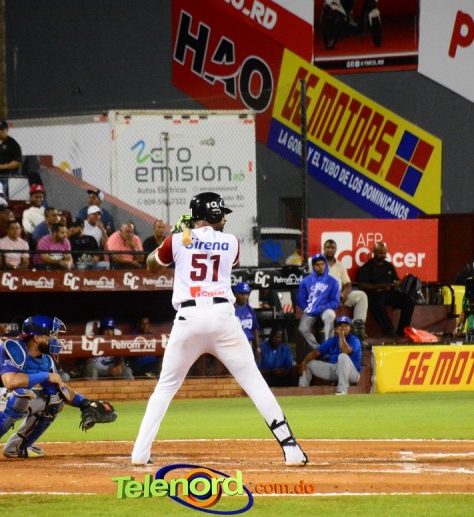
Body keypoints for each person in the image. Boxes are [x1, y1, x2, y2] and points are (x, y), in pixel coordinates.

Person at [131, 192, 307, 466]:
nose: (224, 218)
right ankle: (291, 448)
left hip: (188, 318)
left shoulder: (176, 240)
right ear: (211, 214)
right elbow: (218, 253)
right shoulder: (231, 242)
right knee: (254, 381)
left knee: (165, 387)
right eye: (221, 213)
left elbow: (151, 266)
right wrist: (186, 236)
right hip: (222, 318)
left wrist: (176, 236)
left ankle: (140, 453)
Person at [0, 315, 106, 461]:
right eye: (50, 335)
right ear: (37, 337)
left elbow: (60, 388)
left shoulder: (46, 360)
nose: (54, 340)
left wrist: (85, 403)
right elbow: (10, 382)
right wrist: (46, 376)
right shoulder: (13, 347)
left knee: (55, 400)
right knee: (19, 394)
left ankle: (18, 447)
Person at [356, 242, 416, 338]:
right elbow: (362, 285)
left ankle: (402, 331)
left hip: (389, 293)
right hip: (374, 294)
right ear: (374, 252)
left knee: (409, 301)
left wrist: (397, 283)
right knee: (376, 304)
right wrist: (382, 286)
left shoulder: (389, 266)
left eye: (384, 253)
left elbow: (396, 279)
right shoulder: (367, 267)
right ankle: (389, 331)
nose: (383, 255)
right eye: (380, 253)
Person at [298, 315, 362, 395]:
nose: (343, 328)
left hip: (352, 373)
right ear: (336, 328)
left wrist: (341, 335)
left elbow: (345, 350)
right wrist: (304, 362)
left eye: (346, 326)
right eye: (340, 326)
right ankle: (301, 392)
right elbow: (316, 352)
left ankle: (342, 390)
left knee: (342, 356)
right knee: (309, 364)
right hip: (335, 370)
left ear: (350, 328)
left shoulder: (354, 340)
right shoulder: (332, 340)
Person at [320, 239, 369, 340]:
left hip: (339, 295)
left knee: (361, 296)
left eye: (332, 248)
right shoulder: (317, 264)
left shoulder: (340, 265)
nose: (330, 250)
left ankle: (357, 328)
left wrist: (345, 293)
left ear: (336, 250)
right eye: (327, 247)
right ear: (324, 249)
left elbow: (347, 283)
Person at [297, 253, 340, 348]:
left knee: (330, 315)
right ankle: (318, 349)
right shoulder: (305, 281)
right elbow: (300, 299)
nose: (320, 267)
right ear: (313, 266)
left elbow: (335, 301)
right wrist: (308, 309)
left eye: (322, 264)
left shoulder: (333, 281)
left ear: (325, 265)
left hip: (325, 309)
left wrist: (323, 307)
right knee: (302, 328)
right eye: (317, 265)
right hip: (310, 309)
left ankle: (329, 346)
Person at [0, 120, 23, 189]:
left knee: (5, 194)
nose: (0, 131)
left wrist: (3, 166)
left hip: (9, 176)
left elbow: (17, 162)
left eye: (2, 129)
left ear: (6, 130)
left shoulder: (13, 143)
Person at [233, 281, 261, 359]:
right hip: (234, 345)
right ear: (235, 294)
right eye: (242, 294)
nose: (245, 297)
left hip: (248, 345)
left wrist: (257, 348)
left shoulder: (250, 309)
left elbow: (254, 330)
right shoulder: (230, 309)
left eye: (247, 294)